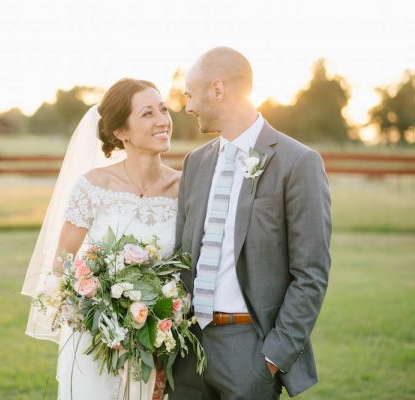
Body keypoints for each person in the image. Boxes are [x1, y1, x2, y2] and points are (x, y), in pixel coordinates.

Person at [171, 47, 331, 399]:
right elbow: (180, 258)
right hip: (187, 350)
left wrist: (274, 356)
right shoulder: (194, 164)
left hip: (250, 351)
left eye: (190, 93)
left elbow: (311, 272)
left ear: (217, 89)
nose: (187, 106)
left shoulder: (297, 162)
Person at [22, 78, 180, 400]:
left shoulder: (186, 187)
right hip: (94, 341)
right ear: (121, 131)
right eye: (148, 113)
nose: (163, 120)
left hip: (158, 342)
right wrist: (101, 313)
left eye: (164, 109)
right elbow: (61, 267)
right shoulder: (92, 186)